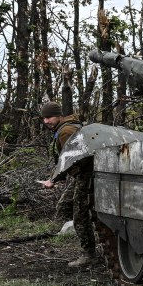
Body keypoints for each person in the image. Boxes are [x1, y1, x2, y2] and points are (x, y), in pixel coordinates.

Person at [37, 101, 96, 268]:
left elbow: (70, 159)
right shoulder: (67, 127)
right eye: (44, 118)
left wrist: (53, 180)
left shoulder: (66, 131)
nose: (46, 121)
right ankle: (92, 230)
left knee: (80, 215)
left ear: (59, 116)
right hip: (81, 174)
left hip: (86, 174)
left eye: (49, 117)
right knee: (64, 205)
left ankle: (89, 254)